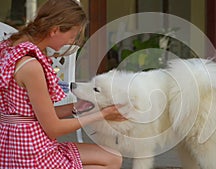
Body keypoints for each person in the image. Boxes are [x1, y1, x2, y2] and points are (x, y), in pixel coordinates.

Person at [0, 0, 126, 168]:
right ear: (55, 30)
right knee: (112, 159)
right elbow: (53, 128)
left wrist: (77, 107)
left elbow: (31, 114)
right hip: (30, 154)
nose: (71, 42)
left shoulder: (9, 47)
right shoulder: (31, 66)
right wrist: (102, 114)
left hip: (12, 146)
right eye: (72, 36)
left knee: (112, 156)